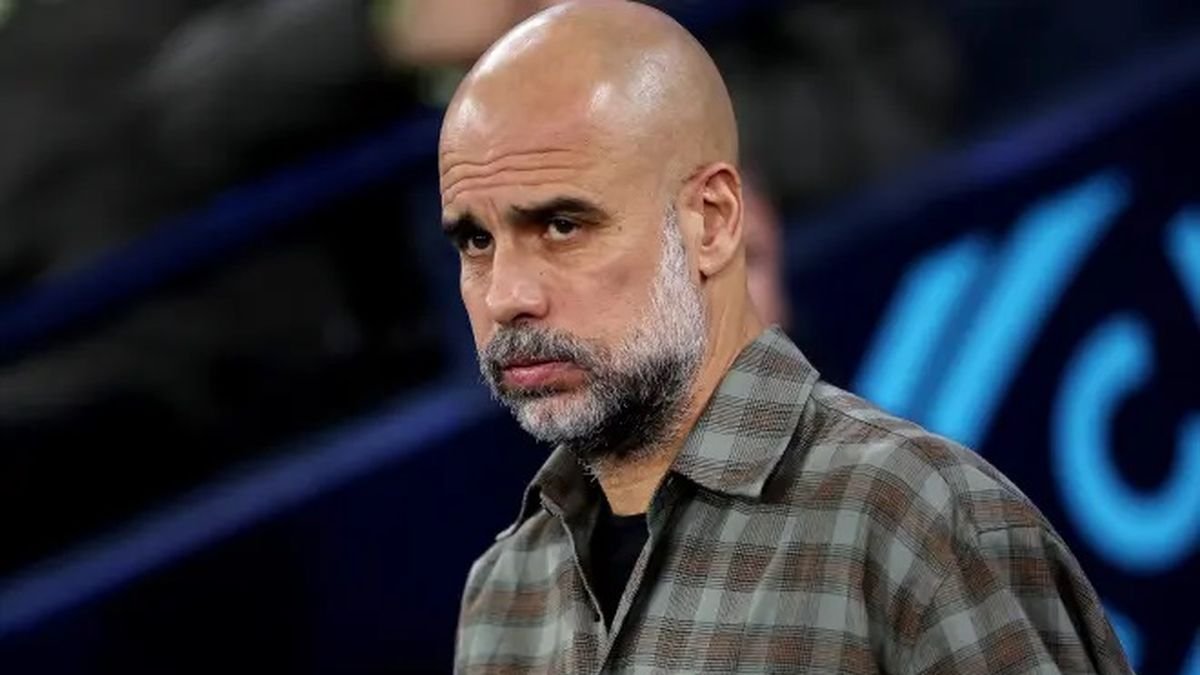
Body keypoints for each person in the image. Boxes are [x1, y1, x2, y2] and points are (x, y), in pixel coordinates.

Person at [439, 2, 1132, 672]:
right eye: (476, 240)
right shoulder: (504, 595)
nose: (507, 296)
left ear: (712, 222)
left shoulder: (913, 518)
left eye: (563, 226)